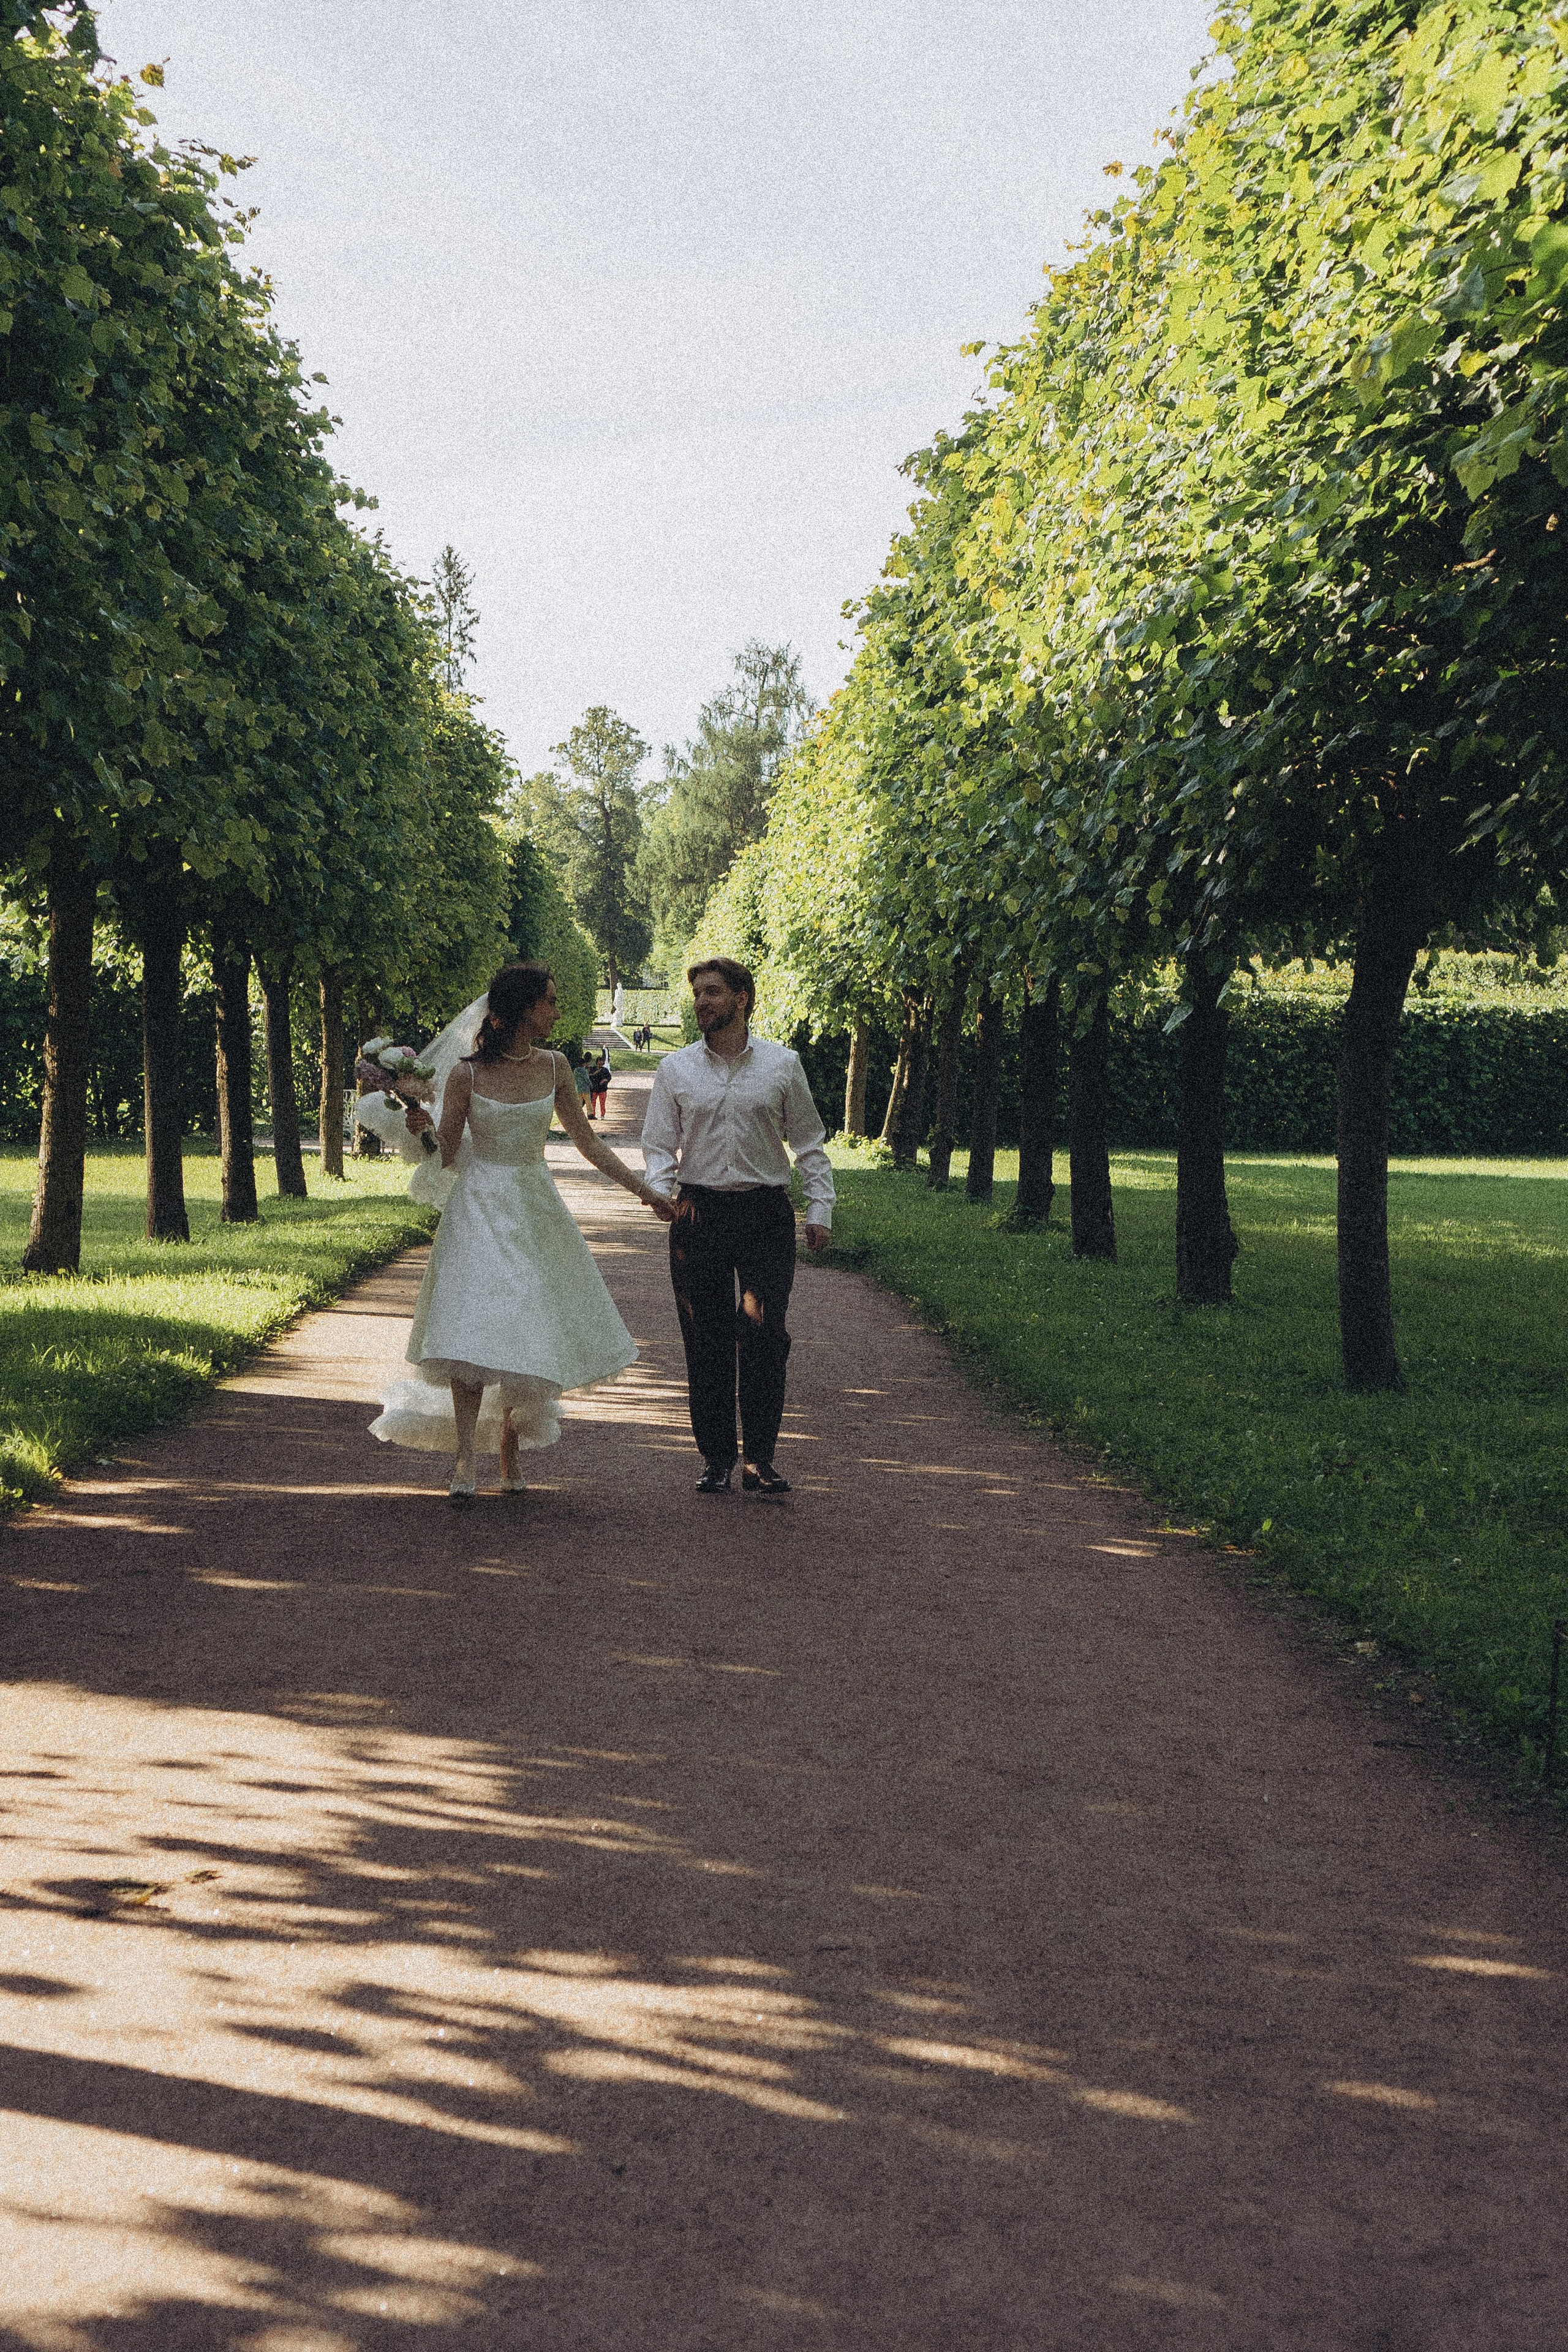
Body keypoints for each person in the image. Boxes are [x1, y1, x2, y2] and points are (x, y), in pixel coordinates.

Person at [366, 963, 674, 1504]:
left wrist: (644, 1191)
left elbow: (589, 1143)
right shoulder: (465, 1074)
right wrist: (422, 1130)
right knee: (469, 1327)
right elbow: (451, 1155)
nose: (557, 1010)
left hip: (533, 1206)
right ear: (520, 1010)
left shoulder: (555, 1067)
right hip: (478, 1207)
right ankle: (466, 1454)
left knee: (523, 1323)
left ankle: (509, 1441)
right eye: (550, 1002)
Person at [641, 957, 833, 1496]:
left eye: (713, 992)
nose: (702, 1002)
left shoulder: (782, 1065)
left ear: (742, 998)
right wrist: (662, 1190)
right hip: (698, 1214)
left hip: (763, 1214)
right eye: (698, 993)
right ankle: (717, 1457)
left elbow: (809, 1144)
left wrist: (820, 1209)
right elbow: (658, 1145)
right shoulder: (676, 1070)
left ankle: (761, 1459)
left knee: (765, 1334)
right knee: (705, 1339)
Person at [588, 1053, 611, 1120]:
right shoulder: (593, 1069)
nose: (601, 1063)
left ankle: (603, 1115)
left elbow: (609, 1077)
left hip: (602, 1089)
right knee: (593, 1103)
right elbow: (590, 1076)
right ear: (597, 1062)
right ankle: (593, 1114)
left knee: (602, 1103)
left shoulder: (605, 1070)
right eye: (600, 1061)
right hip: (594, 1089)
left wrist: (605, 1080)